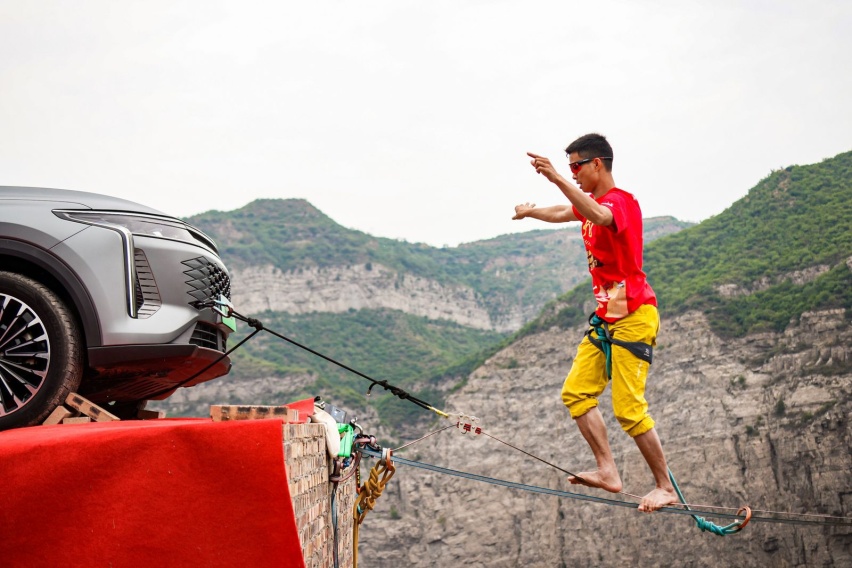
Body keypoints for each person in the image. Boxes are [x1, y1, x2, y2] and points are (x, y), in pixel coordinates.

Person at [513, 132, 678, 513]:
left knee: (628, 408)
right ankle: (609, 471)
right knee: (576, 393)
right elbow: (563, 212)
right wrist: (530, 212)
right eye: (568, 169)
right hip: (607, 319)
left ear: (597, 164)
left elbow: (602, 216)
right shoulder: (589, 204)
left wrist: (554, 177)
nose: (573, 175)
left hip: (635, 316)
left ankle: (665, 486)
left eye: (576, 168)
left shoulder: (620, 202)